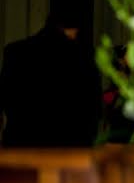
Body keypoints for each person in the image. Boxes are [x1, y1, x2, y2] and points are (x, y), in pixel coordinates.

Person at [0, 10, 102, 146]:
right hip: (70, 150)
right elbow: (93, 109)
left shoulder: (15, 52)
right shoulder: (84, 56)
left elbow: (4, 98)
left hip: (21, 146)